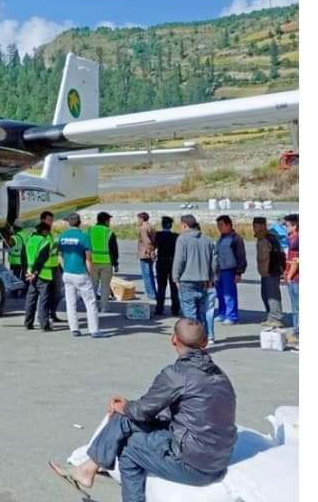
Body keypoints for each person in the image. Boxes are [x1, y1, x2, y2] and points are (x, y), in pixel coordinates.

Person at [51, 319, 237, 502]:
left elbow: (142, 411)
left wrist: (123, 406)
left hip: (196, 466)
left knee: (129, 450)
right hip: (216, 459)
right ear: (204, 343)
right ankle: (88, 468)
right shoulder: (220, 375)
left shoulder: (177, 374)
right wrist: (127, 408)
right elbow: (166, 411)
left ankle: (89, 470)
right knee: (125, 417)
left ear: (173, 339)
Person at [57, 213, 105, 337]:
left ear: (68, 223)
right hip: (80, 273)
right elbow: (88, 258)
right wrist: (90, 273)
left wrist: (65, 268)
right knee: (90, 302)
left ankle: (74, 329)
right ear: (80, 222)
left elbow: (60, 256)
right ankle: (94, 330)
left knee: (71, 302)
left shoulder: (62, 236)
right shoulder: (83, 237)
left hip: (67, 273)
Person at [173, 215, 219, 342]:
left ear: (184, 225)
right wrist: (211, 278)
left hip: (187, 281)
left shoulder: (182, 239)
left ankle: (192, 342)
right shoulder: (207, 239)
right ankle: (203, 338)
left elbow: (179, 261)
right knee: (201, 313)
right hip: (203, 281)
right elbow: (214, 261)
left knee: (189, 315)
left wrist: (175, 278)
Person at [214, 215, 247, 326]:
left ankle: (231, 316)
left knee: (229, 294)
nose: (219, 227)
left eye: (221, 225)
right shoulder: (221, 238)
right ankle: (222, 313)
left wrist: (239, 272)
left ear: (228, 225)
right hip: (219, 270)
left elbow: (241, 256)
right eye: (218, 225)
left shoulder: (236, 238)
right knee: (220, 294)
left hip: (230, 270)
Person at [253, 216, 285, 328]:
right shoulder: (260, 238)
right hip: (264, 272)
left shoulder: (270, 238)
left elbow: (279, 255)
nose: (254, 229)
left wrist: (279, 270)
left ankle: (276, 318)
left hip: (271, 271)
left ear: (263, 226)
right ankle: (271, 316)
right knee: (265, 295)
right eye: (253, 226)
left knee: (273, 296)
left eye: (256, 226)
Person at [24, 222, 56, 331]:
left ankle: (28, 323)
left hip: (30, 275)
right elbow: (41, 259)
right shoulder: (44, 242)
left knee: (31, 299)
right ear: (44, 231)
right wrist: (35, 272)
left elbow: (24, 256)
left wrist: (28, 271)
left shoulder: (29, 240)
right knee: (44, 301)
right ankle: (44, 324)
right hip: (43, 275)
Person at [89, 211, 120, 311]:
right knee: (105, 286)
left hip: (92, 262)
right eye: (109, 220)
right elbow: (114, 250)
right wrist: (115, 264)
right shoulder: (109, 232)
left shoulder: (90, 231)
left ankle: (92, 307)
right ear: (106, 221)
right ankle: (104, 308)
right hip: (106, 263)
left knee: (93, 285)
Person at [40, 210, 66, 323]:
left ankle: (52, 313)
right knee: (44, 295)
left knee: (59, 293)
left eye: (52, 220)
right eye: (49, 220)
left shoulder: (52, 234)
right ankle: (44, 318)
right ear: (42, 220)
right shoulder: (39, 234)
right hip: (44, 269)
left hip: (55, 267)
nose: (51, 223)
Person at [153, 216, 180, 317]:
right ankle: (175, 309)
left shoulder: (158, 235)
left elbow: (154, 246)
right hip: (173, 261)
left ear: (162, 225)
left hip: (161, 261)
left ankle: (159, 308)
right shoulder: (176, 236)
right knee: (174, 287)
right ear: (171, 225)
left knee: (161, 286)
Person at [284, 213, 299, 344]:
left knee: (297, 307)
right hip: (291, 275)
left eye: (287, 225)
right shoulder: (291, 237)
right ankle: (296, 330)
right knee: (295, 307)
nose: (286, 227)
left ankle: (298, 332)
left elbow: (297, 260)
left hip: (296, 277)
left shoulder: (298, 239)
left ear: (295, 225)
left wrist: (289, 275)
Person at [2, 225, 28, 298]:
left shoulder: (15, 237)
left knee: (14, 277)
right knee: (24, 276)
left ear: (15, 229)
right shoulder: (25, 234)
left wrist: (6, 237)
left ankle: (14, 293)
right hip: (24, 259)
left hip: (15, 261)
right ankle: (24, 292)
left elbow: (9, 244)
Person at [137, 212, 157, 302]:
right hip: (150, 252)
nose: (137, 221)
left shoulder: (143, 228)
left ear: (142, 219)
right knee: (150, 273)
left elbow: (147, 242)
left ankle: (151, 293)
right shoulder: (151, 227)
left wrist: (150, 251)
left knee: (146, 274)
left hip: (145, 254)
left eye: (138, 219)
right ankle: (153, 292)